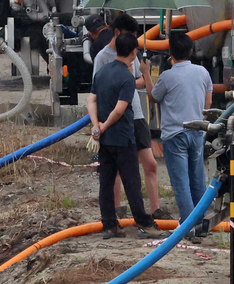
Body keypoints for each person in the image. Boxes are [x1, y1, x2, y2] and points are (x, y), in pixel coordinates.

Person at [91, 12, 164, 217]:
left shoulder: (133, 53)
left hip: (136, 114)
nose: (133, 39)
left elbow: (140, 81)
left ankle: (156, 210)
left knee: (149, 163)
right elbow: (95, 92)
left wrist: (129, 82)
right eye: (129, 34)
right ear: (117, 32)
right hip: (113, 118)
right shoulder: (102, 58)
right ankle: (117, 209)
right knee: (114, 169)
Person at [152, 31, 214, 233]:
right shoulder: (203, 72)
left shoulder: (167, 76)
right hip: (197, 131)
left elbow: (154, 96)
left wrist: (145, 72)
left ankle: (188, 227)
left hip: (174, 134)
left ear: (170, 52)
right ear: (192, 51)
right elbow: (209, 103)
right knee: (197, 179)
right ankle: (202, 223)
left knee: (181, 182)